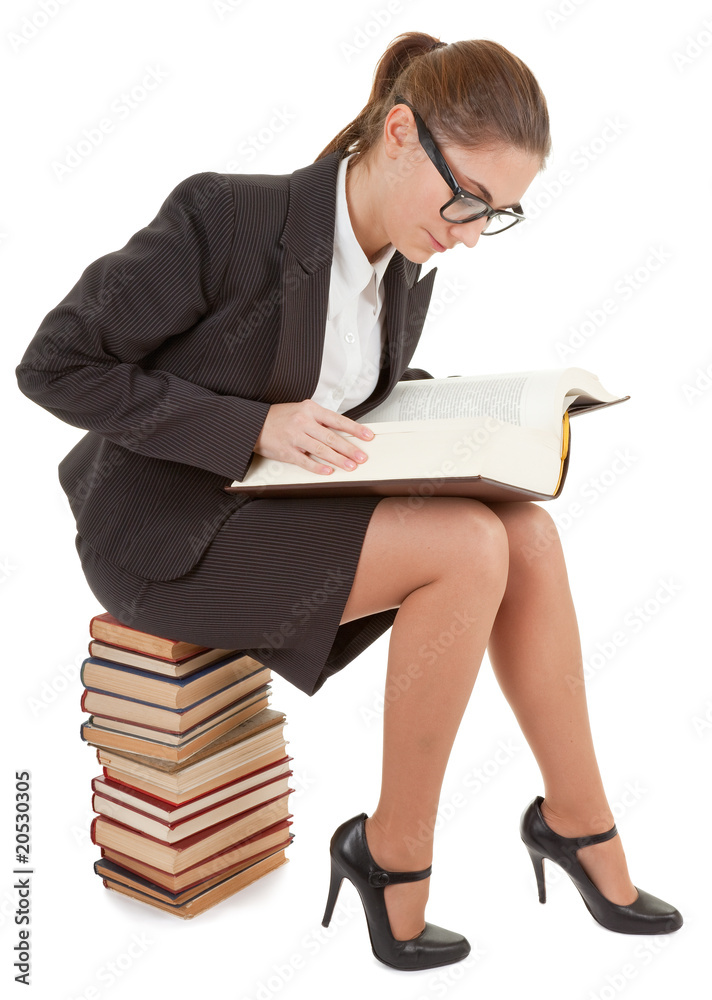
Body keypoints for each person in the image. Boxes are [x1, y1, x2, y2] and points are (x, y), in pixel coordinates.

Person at [16, 31, 681, 972]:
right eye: (467, 201)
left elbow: (351, 392)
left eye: (499, 216)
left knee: (523, 530)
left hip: (274, 509)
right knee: (469, 550)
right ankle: (393, 852)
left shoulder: (404, 262)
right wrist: (248, 425)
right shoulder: (226, 216)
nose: (468, 235)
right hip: (165, 530)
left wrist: (467, 430)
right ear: (401, 133)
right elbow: (55, 367)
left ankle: (577, 821)